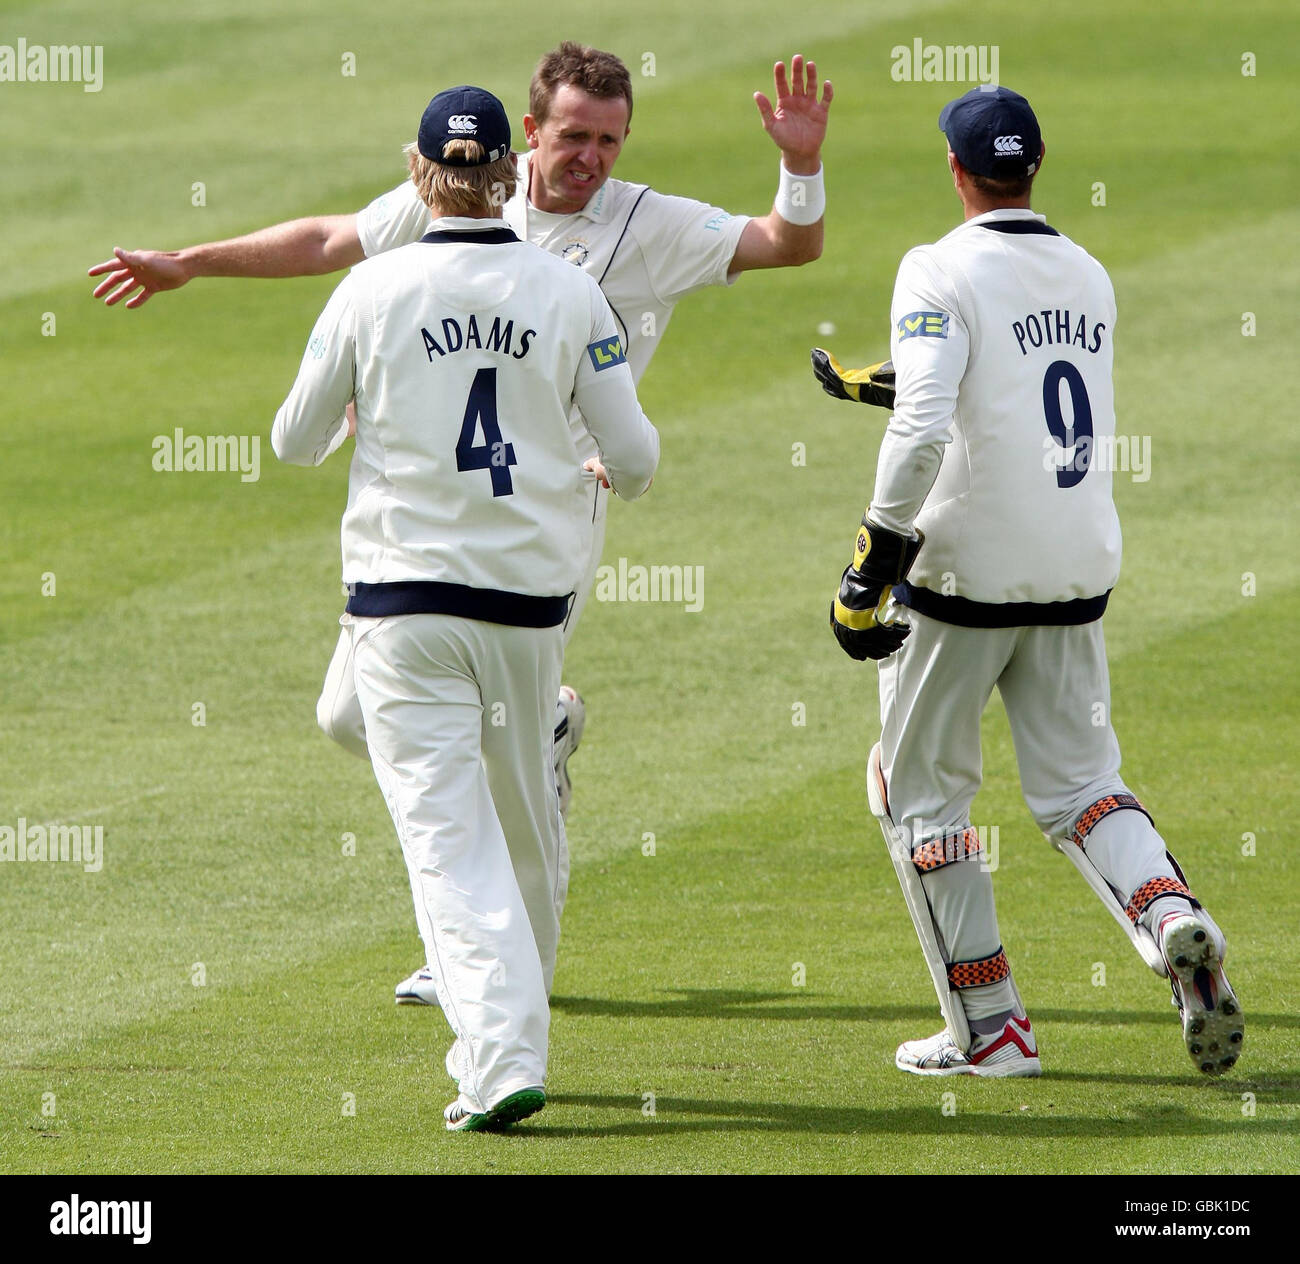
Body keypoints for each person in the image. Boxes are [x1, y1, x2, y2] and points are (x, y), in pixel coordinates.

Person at [89, 42, 832, 1006]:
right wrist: (187, 262)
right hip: (435, 513)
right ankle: (543, 746)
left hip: (551, 514)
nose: (591, 158)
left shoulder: (650, 225)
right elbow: (329, 244)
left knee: (482, 752)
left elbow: (787, 243)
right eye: (573, 136)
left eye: (610, 140)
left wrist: (802, 166)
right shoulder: (468, 189)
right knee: (347, 716)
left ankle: (483, 971)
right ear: (531, 133)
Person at [822, 85, 1242, 1078]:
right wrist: (886, 378)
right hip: (1069, 566)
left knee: (915, 795)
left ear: (955, 171)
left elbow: (925, 425)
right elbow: (1021, 381)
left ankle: (993, 1029)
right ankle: (1170, 914)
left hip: (962, 576)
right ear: (1036, 165)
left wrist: (871, 557)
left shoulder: (935, 266)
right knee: (1083, 783)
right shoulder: (1085, 271)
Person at [272, 85, 658, 1130]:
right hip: (529, 608)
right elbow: (636, 457)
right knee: (523, 832)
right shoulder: (569, 291)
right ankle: (510, 1044)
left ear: (417, 171)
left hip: (405, 607)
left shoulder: (370, 288)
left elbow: (294, 441)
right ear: (508, 171)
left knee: (449, 841)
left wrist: (367, 403)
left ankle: (497, 1061)